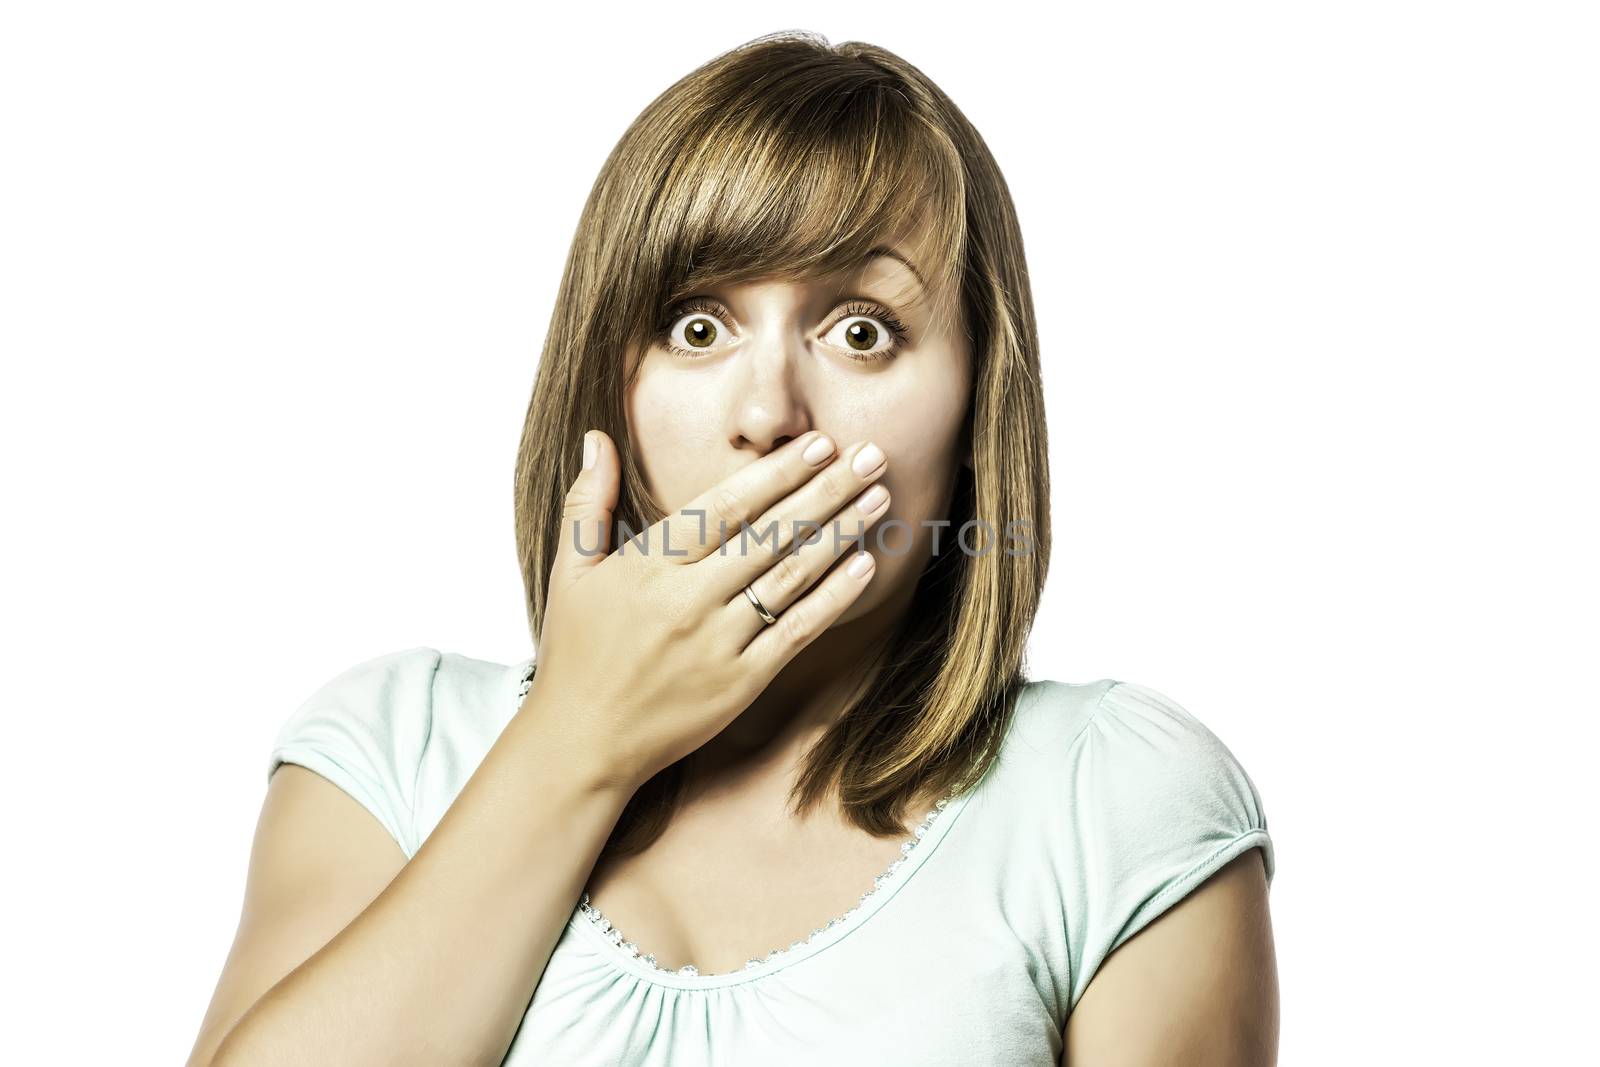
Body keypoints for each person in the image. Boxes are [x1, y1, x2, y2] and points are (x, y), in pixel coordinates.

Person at [187, 30, 1278, 1067]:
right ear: (606, 380)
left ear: (975, 406)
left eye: (862, 329)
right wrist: (579, 735)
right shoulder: (393, 754)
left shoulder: (1117, 801)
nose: (769, 412)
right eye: (697, 326)